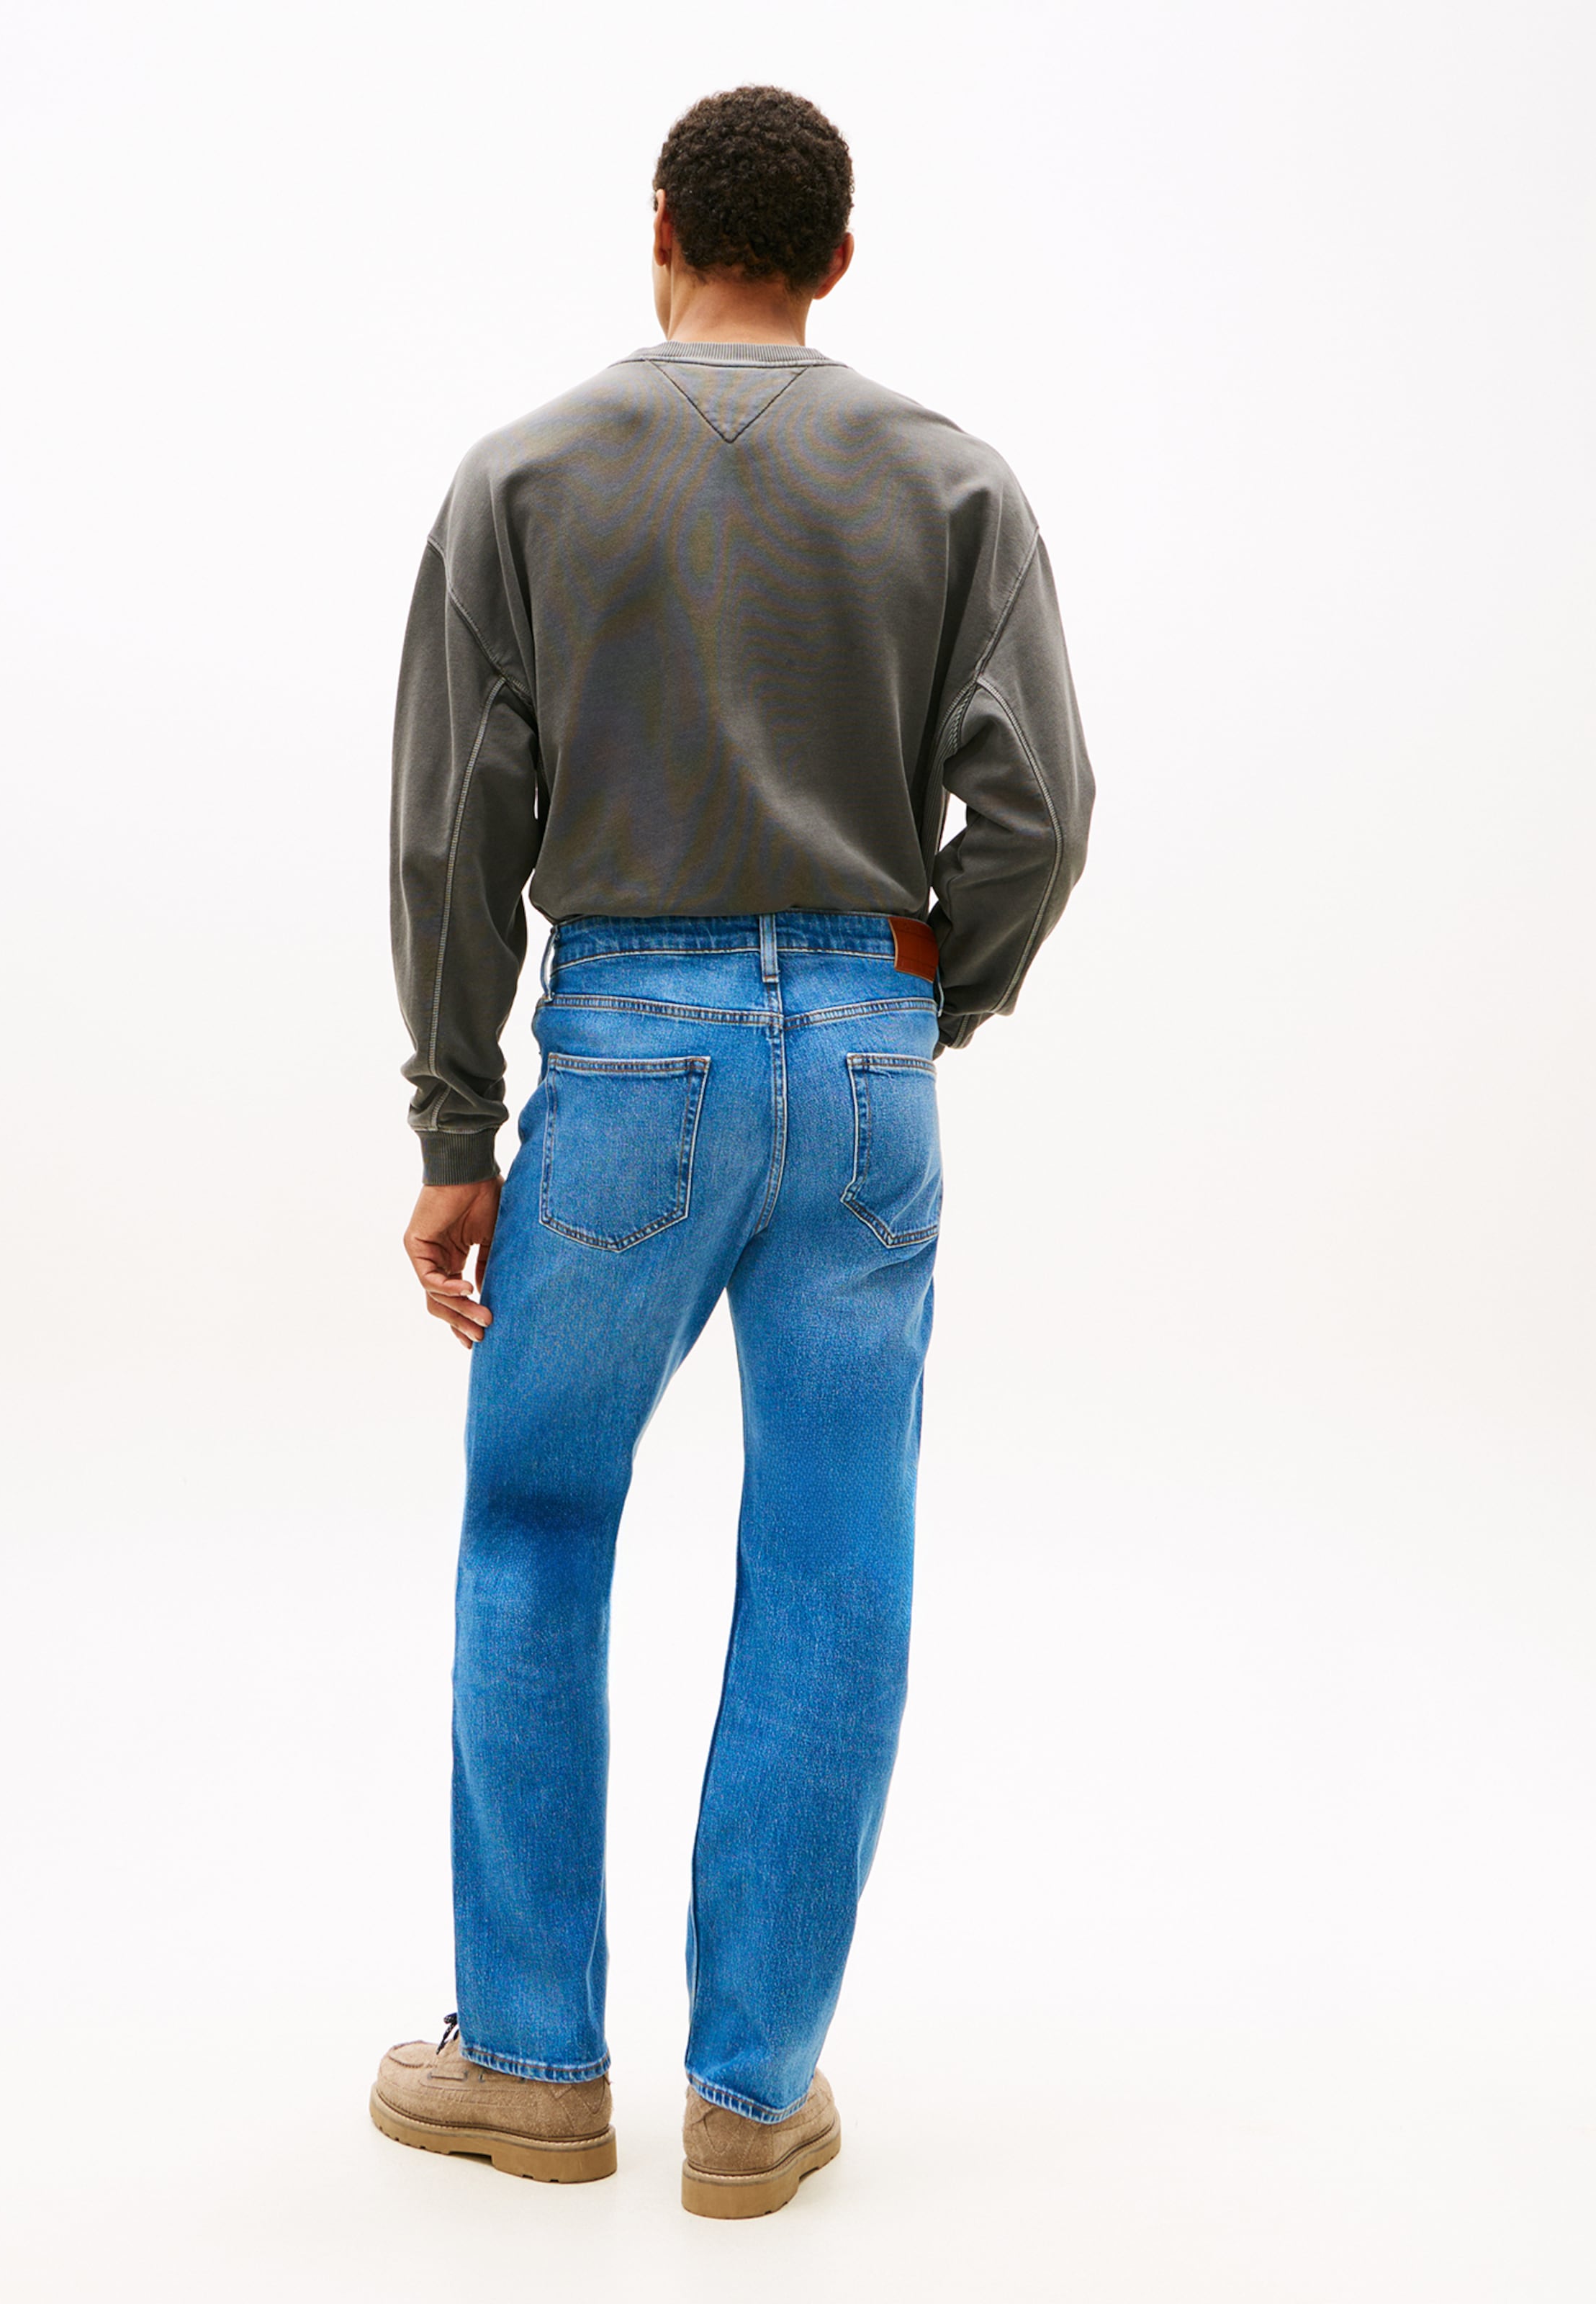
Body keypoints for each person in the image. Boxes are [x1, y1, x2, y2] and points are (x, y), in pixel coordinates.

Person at [368, 84, 1094, 2219]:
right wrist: (918, 1001)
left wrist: (455, 1121)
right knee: (836, 1550)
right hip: (865, 1066)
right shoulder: (956, 479)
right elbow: (1039, 814)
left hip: (629, 1056)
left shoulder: (522, 475)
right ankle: (756, 2095)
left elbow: (454, 836)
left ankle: (529, 2064)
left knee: (536, 1519)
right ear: (838, 259)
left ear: (662, 224)